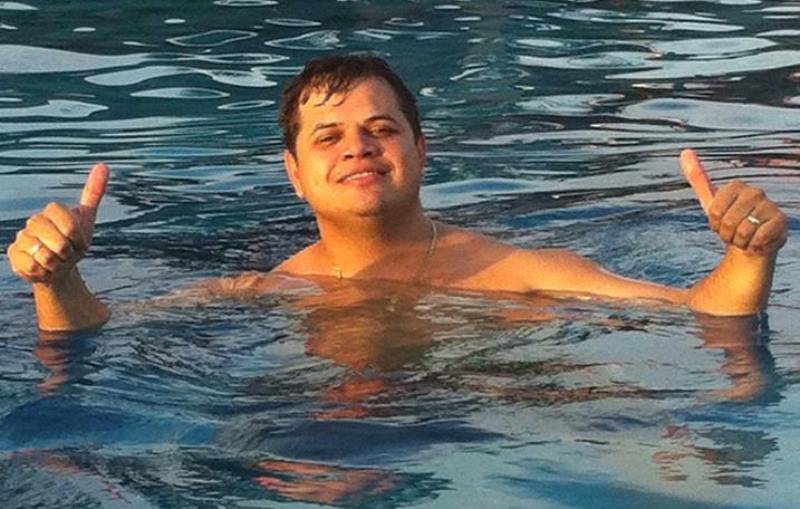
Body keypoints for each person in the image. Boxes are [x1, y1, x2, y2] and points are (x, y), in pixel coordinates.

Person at [5, 55, 790, 332]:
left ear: (421, 149)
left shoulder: (517, 270)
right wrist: (58, 279)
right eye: (328, 137)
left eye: (381, 128)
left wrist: (749, 256)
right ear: (294, 173)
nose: (358, 146)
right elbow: (94, 332)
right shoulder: (263, 291)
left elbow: (704, 313)